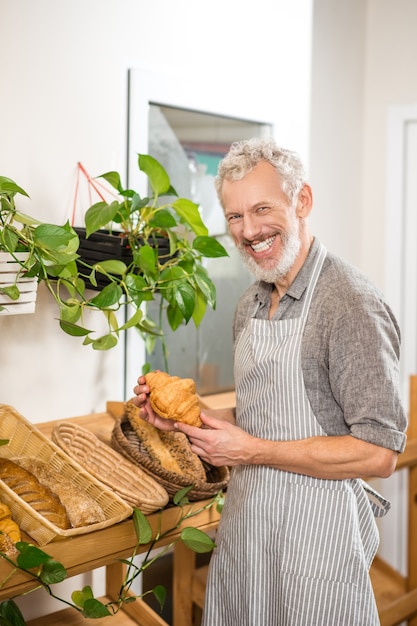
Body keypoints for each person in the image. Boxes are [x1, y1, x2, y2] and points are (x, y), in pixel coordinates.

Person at [132, 138, 407, 626]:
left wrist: (251, 451)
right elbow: (260, 421)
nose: (249, 231)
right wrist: (187, 422)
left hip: (316, 541)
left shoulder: (349, 304)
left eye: (262, 209)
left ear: (301, 201)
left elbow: (378, 452)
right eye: (234, 216)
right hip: (247, 528)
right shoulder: (251, 303)